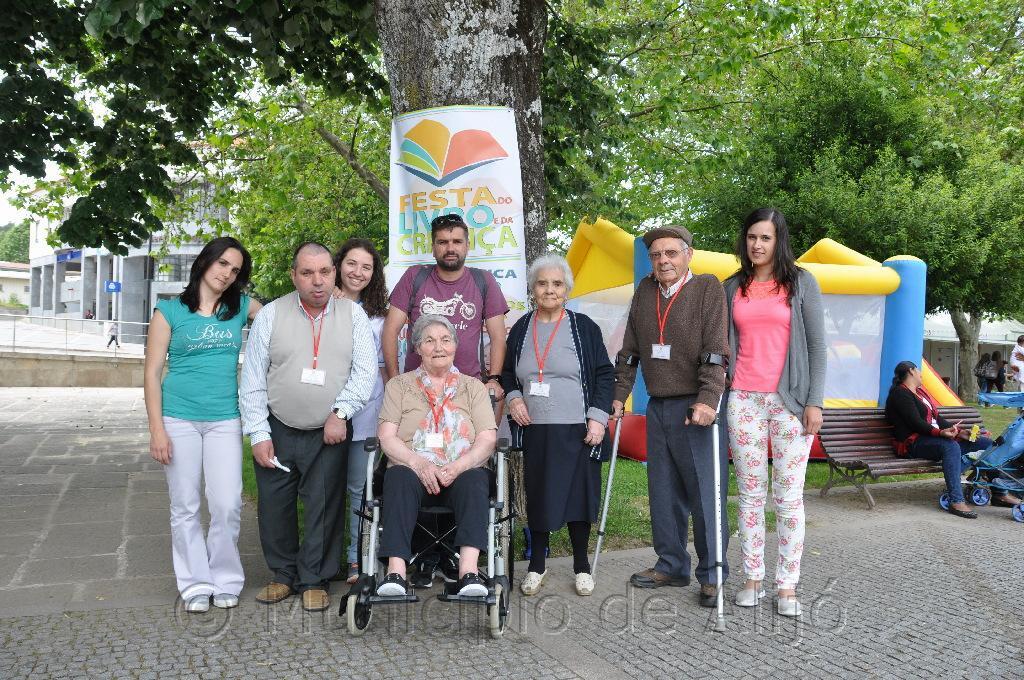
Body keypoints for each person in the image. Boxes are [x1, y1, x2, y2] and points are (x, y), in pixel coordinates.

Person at [239, 242, 376, 612]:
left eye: (325, 272)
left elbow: (364, 373)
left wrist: (341, 413)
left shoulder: (353, 315)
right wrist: (259, 432)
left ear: (333, 273)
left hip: (329, 429)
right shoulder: (270, 314)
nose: (318, 281)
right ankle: (283, 575)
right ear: (293, 276)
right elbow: (253, 378)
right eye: (307, 273)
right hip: (277, 426)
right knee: (274, 504)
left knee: (324, 504)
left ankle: (314, 579)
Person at [382, 213, 509, 587]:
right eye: (443, 241)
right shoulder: (415, 278)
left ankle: (462, 564)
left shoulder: (483, 282)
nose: (450, 248)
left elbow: (497, 337)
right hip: (416, 394)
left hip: (464, 391)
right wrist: (395, 379)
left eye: (456, 241)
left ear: (467, 245)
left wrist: (493, 378)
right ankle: (410, 564)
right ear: (433, 245)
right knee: (405, 472)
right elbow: (391, 329)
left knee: (469, 473)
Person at [612, 225, 730, 608]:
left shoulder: (707, 288)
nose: (663, 261)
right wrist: (619, 395)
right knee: (662, 491)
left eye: (671, 253)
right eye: (656, 255)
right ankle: (672, 564)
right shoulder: (644, 291)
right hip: (658, 404)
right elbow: (629, 351)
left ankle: (712, 573)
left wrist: (708, 398)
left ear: (688, 255)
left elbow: (717, 349)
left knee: (705, 493)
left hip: (697, 405)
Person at [143, 236, 262, 613]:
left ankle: (225, 578)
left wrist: (336, 295)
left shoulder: (241, 308)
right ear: (205, 262)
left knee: (227, 503)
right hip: (178, 418)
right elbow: (151, 373)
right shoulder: (169, 311)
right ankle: (195, 582)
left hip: (224, 419)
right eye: (223, 263)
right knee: (185, 505)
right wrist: (156, 430)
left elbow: (286, 314)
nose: (227, 273)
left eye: (235, 270)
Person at [723, 208, 825, 617]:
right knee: (750, 495)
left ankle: (787, 586)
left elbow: (817, 347)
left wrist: (815, 402)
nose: (757, 245)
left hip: (791, 403)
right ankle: (752, 578)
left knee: (788, 498)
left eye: (765, 237)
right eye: (752, 237)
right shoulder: (733, 286)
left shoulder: (801, 283)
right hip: (743, 400)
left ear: (778, 241)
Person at [501, 255, 614, 598]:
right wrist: (514, 398)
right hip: (536, 430)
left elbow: (604, 374)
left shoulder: (583, 327)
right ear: (532, 289)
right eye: (542, 283)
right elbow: (507, 373)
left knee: (579, 498)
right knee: (539, 497)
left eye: (557, 283)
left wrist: (598, 418)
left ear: (567, 289)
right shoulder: (521, 327)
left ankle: (581, 566)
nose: (549, 290)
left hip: (579, 430)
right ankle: (537, 565)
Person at [375, 314, 498, 598]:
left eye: (445, 340)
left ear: (455, 345)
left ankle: (468, 572)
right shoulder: (399, 386)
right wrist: (418, 464)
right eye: (429, 341)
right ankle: (396, 572)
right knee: (398, 476)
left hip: (461, 473)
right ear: (417, 347)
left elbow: (487, 438)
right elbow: (387, 436)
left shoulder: (473, 387)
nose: (438, 347)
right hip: (412, 474)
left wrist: (457, 467)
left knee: (475, 479)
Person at [883, 361, 1018, 518]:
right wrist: (941, 433)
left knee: (989, 444)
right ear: (911, 371)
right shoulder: (900, 394)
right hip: (913, 443)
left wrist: (959, 433)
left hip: (932, 439)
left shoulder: (920, 393)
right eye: (918, 370)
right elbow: (916, 423)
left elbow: (937, 419)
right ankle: (956, 500)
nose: (921, 374)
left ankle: (999, 494)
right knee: (950, 446)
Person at [331, 238, 388, 584]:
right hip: (324, 408)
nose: (358, 272)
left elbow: (385, 365)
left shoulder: (380, 315)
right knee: (325, 488)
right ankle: (323, 561)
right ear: (338, 265)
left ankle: (358, 558)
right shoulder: (323, 303)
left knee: (359, 487)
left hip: (366, 410)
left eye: (366, 267)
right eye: (352, 263)